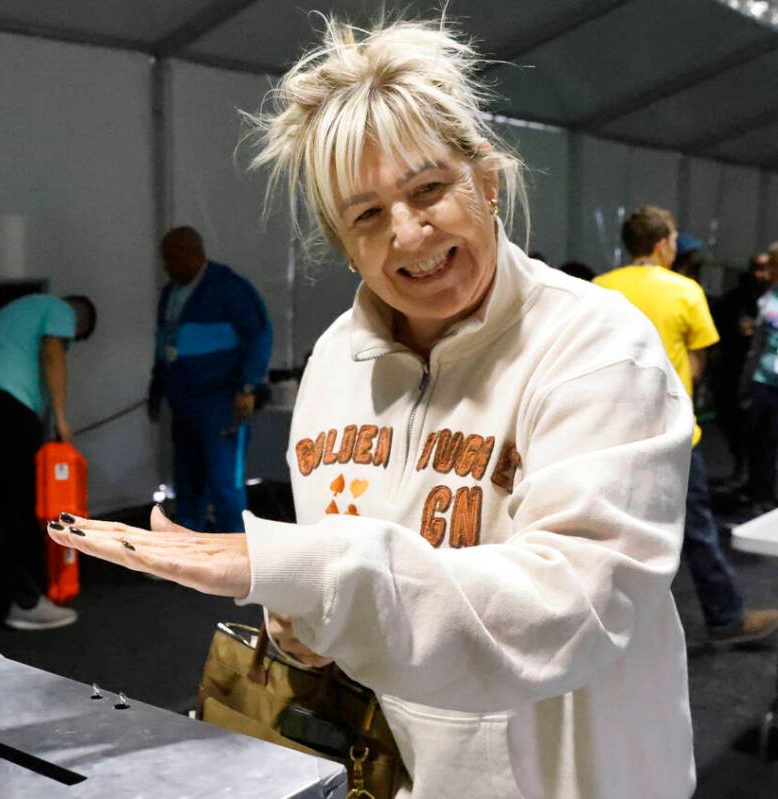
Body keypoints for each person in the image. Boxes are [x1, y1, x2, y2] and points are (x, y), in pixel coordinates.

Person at [53, 17, 701, 797]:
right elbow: (345, 578)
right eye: (366, 215)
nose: (408, 232)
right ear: (344, 242)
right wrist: (301, 619)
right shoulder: (337, 361)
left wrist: (304, 571)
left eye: (429, 189)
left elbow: (577, 604)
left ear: (486, 180)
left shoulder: (598, 347)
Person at [594, 208, 778, 647]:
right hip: (672, 432)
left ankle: (603, 626)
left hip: (612, 432)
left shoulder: (600, 287)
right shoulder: (685, 290)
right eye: (673, 238)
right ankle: (725, 618)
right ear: (662, 244)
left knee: (610, 531)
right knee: (696, 529)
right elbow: (697, 361)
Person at [0, 292, 96, 630]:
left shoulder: (12, 314)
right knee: (17, 505)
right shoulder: (60, 310)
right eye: (74, 338)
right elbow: (52, 356)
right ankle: (26, 602)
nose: (69, 343)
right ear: (78, 320)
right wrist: (61, 420)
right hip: (8, 410)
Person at [148, 226, 272, 532]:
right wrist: (156, 391)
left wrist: (248, 386)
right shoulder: (169, 293)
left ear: (195, 254)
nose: (166, 267)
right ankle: (191, 558)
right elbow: (163, 345)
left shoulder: (228, 288)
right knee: (188, 484)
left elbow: (259, 337)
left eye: (172, 259)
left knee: (224, 485)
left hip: (222, 404)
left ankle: (236, 556)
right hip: (184, 405)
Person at [713, 249, 773, 488]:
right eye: (756, 268)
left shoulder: (771, 300)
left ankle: (758, 482)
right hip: (734, 372)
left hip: (766, 378)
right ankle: (742, 471)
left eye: (765, 268)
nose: (761, 274)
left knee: (764, 434)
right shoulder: (733, 300)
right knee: (732, 424)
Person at [744, 243, 778, 515]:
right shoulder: (767, 298)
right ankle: (761, 496)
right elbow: (757, 345)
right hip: (763, 380)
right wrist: (746, 381)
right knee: (761, 441)